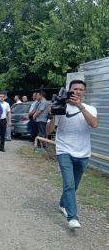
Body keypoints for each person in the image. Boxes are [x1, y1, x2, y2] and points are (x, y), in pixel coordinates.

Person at [46, 80, 98, 229]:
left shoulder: (90, 108)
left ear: (84, 92)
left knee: (73, 185)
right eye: (75, 89)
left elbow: (94, 124)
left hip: (83, 152)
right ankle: (72, 217)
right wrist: (51, 115)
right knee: (68, 183)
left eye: (81, 89)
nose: (78, 91)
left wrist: (80, 106)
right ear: (69, 90)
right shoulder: (61, 107)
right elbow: (49, 131)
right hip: (64, 151)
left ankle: (63, 203)